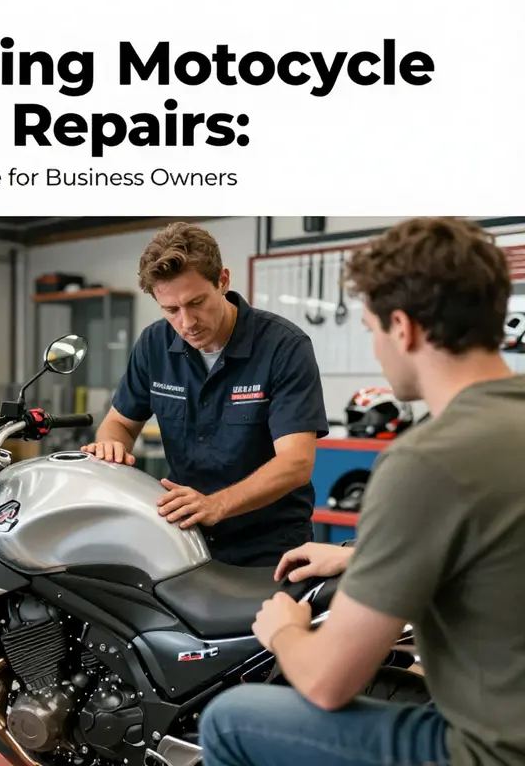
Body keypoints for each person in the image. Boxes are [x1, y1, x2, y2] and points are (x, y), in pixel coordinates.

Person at [199, 216, 525, 765]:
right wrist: (361, 555)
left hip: (491, 750)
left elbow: (328, 681)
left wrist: (285, 632)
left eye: (372, 328)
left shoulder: (427, 461)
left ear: (404, 328)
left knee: (230, 720)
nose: (375, 348)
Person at [80, 222, 329, 567]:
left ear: (223, 281)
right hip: (184, 539)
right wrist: (112, 447)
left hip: (269, 549)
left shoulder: (284, 347)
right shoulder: (154, 344)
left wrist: (217, 505)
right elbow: (119, 423)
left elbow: (296, 463)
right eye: (171, 310)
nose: (187, 322)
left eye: (196, 302)